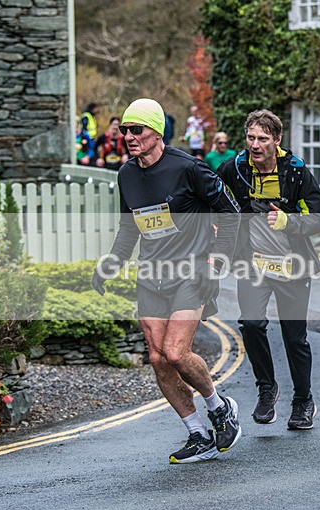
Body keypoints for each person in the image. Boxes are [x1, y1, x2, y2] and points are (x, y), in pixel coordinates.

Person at [91, 98, 242, 464]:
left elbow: (233, 214)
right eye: (125, 130)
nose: (128, 136)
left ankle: (219, 407)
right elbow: (129, 228)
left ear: (156, 133)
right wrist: (112, 262)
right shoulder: (126, 174)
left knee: (176, 352)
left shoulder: (189, 168)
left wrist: (215, 263)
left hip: (193, 272)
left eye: (136, 129)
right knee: (158, 358)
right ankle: (197, 433)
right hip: (151, 275)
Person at [217, 109, 320, 431]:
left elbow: (319, 219)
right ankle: (267, 389)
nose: (255, 144)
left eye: (263, 138)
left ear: (277, 141)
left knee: (295, 337)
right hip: (254, 265)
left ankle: (303, 400)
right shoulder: (235, 169)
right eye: (251, 137)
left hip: (292, 266)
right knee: (250, 324)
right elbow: (215, 200)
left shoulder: (295, 171)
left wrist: (289, 221)